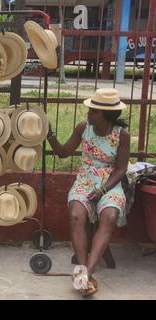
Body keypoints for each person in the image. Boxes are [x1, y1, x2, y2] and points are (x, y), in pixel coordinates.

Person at [47, 88, 130, 297]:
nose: (88, 113)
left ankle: (86, 273)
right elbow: (63, 153)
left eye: (94, 111)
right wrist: (49, 134)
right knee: (76, 215)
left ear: (106, 115)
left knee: (109, 215)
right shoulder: (84, 127)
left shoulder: (122, 135)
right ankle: (84, 272)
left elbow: (121, 170)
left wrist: (102, 189)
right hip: (85, 181)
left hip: (109, 183)